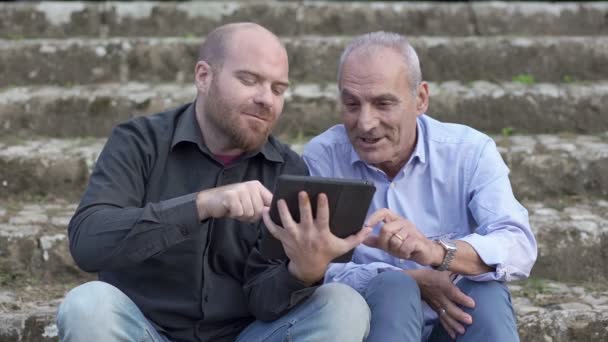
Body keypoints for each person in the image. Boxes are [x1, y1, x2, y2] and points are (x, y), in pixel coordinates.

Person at [56, 23, 372, 342]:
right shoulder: (139, 143)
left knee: (343, 306)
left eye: (278, 89)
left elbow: (265, 301)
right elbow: (88, 243)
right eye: (249, 80)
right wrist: (202, 204)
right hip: (145, 332)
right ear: (204, 77)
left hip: (243, 336)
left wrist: (302, 273)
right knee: (88, 305)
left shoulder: (287, 168)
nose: (267, 99)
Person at [303, 31, 537, 342]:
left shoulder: (469, 151)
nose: (366, 122)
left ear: (421, 99)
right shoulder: (323, 159)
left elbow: (518, 244)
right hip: (374, 325)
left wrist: (437, 252)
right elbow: (312, 269)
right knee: (395, 290)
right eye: (352, 104)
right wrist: (407, 280)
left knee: (486, 292)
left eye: (384, 103)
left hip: (455, 321)